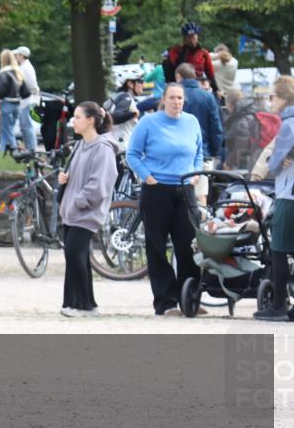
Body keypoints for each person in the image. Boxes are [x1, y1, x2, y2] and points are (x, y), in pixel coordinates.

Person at [126, 83, 204, 316]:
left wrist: (197, 172)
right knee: (157, 247)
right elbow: (132, 154)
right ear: (164, 100)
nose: (177, 101)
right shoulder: (149, 123)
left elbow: (199, 150)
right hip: (157, 189)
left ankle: (189, 298)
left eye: (180, 98)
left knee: (188, 246)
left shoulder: (191, 122)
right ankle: (166, 300)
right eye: (172, 97)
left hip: (185, 188)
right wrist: (148, 177)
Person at [57, 102, 118, 317]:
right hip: (72, 212)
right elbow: (77, 174)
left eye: (78, 117)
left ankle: (79, 305)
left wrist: (79, 201)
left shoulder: (103, 149)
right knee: (77, 256)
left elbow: (100, 183)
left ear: (91, 120)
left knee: (74, 253)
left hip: (87, 212)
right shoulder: (80, 145)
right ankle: (87, 305)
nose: (74, 121)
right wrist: (65, 179)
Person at [253, 76, 294, 320]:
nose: (270, 102)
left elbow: (276, 162)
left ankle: (278, 305)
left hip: (289, 194)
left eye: (272, 97)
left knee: (278, 249)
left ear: (283, 98)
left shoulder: (288, 124)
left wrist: (272, 161)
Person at [176, 63, 224, 205]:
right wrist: (214, 151)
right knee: (201, 195)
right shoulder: (207, 97)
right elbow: (216, 127)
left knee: (179, 197)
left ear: (179, 77)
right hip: (203, 152)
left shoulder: (175, 96)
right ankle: (200, 225)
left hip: (177, 153)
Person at [162, 22, 218, 94]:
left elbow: (210, 74)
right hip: (180, 86)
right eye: (189, 37)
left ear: (197, 36)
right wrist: (185, 49)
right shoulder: (175, 51)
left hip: (198, 86)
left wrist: (216, 89)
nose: (192, 39)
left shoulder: (203, 53)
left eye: (194, 36)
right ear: (184, 38)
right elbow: (178, 68)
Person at [223, 89, 265, 172]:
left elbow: (242, 145)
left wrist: (229, 162)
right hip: (258, 156)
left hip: (248, 161)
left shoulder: (241, 118)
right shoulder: (252, 110)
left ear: (230, 104)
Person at [0, 49, 26, 155]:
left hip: (7, 103)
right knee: (7, 128)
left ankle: (14, 149)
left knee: (7, 129)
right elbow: (25, 91)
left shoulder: (3, 73)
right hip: (17, 103)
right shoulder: (18, 72)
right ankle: (2, 150)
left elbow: (1, 90)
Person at [105, 74, 143, 151]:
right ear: (130, 84)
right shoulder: (126, 97)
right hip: (122, 148)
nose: (143, 84)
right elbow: (114, 117)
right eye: (140, 81)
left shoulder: (118, 97)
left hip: (116, 146)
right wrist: (133, 114)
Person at [14, 46, 39, 152]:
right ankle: (29, 147)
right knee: (24, 125)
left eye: (17, 55)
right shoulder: (24, 66)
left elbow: (33, 86)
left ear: (21, 56)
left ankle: (32, 148)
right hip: (26, 100)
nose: (15, 57)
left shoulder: (26, 68)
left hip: (29, 100)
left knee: (26, 125)